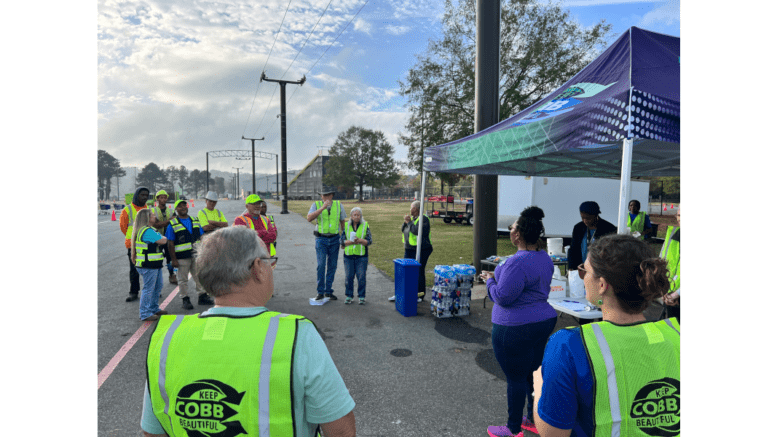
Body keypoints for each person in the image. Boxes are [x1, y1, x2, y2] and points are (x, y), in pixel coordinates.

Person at [140, 226, 356, 437]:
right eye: (270, 262)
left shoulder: (167, 338)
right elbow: (341, 430)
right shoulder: (298, 335)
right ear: (258, 268)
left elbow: (152, 431)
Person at [533, 234, 679, 437]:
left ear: (602, 285)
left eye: (584, 271)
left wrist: (539, 386)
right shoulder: (677, 336)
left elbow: (553, 433)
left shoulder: (569, 346)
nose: (581, 277)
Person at [480, 206, 557, 437]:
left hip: (515, 329)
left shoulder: (516, 263)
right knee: (531, 372)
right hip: (542, 322)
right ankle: (532, 418)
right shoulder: (544, 258)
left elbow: (503, 297)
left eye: (511, 228)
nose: (510, 231)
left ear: (517, 235)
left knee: (515, 378)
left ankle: (513, 430)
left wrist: (490, 282)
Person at [166, 199, 212, 310]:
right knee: (182, 279)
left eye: (184, 205)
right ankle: (185, 299)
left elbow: (202, 237)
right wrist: (174, 259)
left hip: (196, 255)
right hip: (181, 257)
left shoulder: (195, 220)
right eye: (180, 206)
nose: (183, 207)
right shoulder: (173, 224)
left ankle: (202, 296)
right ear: (176, 209)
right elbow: (170, 243)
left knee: (199, 276)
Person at [131, 209, 169, 322]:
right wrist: (162, 238)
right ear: (147, 218)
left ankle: (153, 308)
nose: (154, 216)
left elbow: (161, 239)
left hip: (153, 264)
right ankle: (145, 313)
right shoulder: (147, 231)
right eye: (152, 215)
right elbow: (163, 240)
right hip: (147, 265)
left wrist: (161, 238)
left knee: (157, 286)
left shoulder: (150, 230)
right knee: (148, 289)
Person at [390, 200, 433, 302]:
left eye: (411, 207)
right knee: (405, 271)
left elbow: (417, 231)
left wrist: (409, 222)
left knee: (419, 271)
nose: (410, 209)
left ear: (416, 209)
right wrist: (406, 223)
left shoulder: (424, 219)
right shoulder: (413, 219)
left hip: (422, 249)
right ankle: (402, 293)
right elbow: (403, 229)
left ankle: (419, 295)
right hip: (409, 248)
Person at [307, 190, 346, 301]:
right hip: (321, 239)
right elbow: (309, 218)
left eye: (328, 195)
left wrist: (344, 238)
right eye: (323, 195)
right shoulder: (316, 205)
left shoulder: (339, 205)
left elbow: (342, 221)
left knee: (332, 266)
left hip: (334, 239)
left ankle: (328, 291)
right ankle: (320, 291)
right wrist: (322, 208)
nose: (325, 197)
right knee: (321, 265)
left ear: (332, 195)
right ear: (321, 196)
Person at [567, 201, 617, 274]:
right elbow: (573, 249)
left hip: (599, 270)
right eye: (582, 217)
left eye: (588, 218)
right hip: (581, 268)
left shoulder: (609, 229)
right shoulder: (578, 228)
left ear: (596, 215)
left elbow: (610, 253)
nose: (585, 221)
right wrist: (571, 267)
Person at [120, 187, 150, 302]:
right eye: (142, 195)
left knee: (149, 269)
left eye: (146, 195)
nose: (145, 197)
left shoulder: (147, 208)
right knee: (134, 269)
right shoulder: (127, 210)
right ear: (136, 195)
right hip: (133, 245)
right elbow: (123, 227)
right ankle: (133, 292)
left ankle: (150, 289)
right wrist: (132, 238)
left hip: (146, 243)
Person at [340, 206, 372, 305]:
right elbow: (341, 241)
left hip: (361, 256)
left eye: (358, 215)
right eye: (355, 215)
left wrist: (361, 241)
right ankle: (349, 296)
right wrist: (349, 242)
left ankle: (361, 296)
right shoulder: (346, 226)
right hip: (348, 256)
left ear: (361, 216)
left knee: (361, 277)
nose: (356, 217)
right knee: (349, 277)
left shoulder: (365, 225)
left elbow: (369, 241)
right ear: (351, 216)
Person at [149, 190, 177, 284]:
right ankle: (157, 279)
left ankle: (172, 275)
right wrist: (169, 221)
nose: (164, 199)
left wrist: (165, 223)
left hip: (169, 238)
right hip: (157, 238)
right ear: (157, 199)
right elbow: (157, 225)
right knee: (157, 258)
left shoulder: (171, 211)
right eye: (161, 197)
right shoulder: (153, 211)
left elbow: (176, 223)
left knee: (170, 257)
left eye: (165, 197)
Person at [661, 205, 680, 322]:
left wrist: (676, 294)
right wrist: (665, 291)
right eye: (679, 215)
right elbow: (662, 261)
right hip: (670, 293)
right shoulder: (673, 232)